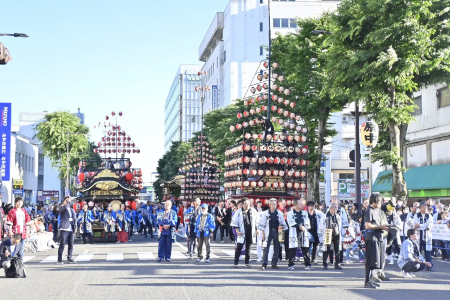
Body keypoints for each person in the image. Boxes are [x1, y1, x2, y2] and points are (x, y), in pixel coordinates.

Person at [364, 194, 390, 289]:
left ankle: (371, 280)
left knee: (376, 260)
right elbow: (368, 226)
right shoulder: (369, 211)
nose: (380, 204)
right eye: (379, 202)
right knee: (370, 260)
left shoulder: (378, 211)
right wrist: (381, 227)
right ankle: (367, 281)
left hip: (379, 237)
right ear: (373, 202)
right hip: (372, 238)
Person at [258, 198, 288, 270]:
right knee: (266, 248)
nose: (274, 205)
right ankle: (264, 264)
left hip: (277, 232)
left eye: (275, 204)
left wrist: (284, 232)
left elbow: (283, 223)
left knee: (277, 248)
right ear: (269, 204)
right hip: (268, 231)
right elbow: (262, 224)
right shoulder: (266, 213)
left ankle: (274, 263)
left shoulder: (279, 213)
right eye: (272, 204)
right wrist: (263, 234)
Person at [231, 199, 259, 268]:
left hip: (250, 231)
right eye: (245, 204)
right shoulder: (239, 211)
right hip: (242, 231)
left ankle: (247, 262)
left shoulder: (253, 210)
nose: (247, 205)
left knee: (248, 247)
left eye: (248, 204)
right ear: (242, 204)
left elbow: (257, 220)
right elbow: (235, 221)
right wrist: (237, 231)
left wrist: (257, 229)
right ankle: (236, 262)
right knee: (239, 247)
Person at [287, 199, 312, 270]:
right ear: (295, 205)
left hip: (303, 232)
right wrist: (299, 226)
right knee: (292, 249)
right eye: (300, 204)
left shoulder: (304, 213)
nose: (301, 205)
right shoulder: (290, 213)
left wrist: (304, 226)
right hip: (294, 232)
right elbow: (290, 222)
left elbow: (307, 221)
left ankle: (308, 264)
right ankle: (291, 264)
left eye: (301, 204)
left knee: (305, 249)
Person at [321, 203, 343, 270]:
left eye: (336, 208)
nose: (336, 209)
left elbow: (340, 225)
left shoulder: (337, 216)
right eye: (334, 208)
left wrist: (338, 230)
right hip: (328, 233)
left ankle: (337, 263)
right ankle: (324, 263)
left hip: (336, 234)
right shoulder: (325, 216)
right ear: (331, 208)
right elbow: (321, 226)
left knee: (337, 249)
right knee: (326, 249)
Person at [412, 201, 434, 271]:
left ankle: (429, 266)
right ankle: (418, 265)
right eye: (423, 206)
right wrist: (423, 226)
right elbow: (415, 225)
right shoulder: (416, 215)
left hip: (427, 235)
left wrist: (420, 225)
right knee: (417, 251)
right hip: (418, 235)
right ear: (420, 207)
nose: (425, 207)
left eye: (426, 206)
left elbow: (429, 225)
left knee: (427, 252)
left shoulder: (429, 215)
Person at [57, 196, 77, 265]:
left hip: (71, 228)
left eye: (69, 200)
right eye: (66, 200)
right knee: (62, 244)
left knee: (71, 244)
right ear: (64, 201)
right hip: (64, 228)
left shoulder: (72, 210)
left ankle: (69, 257)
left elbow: (75, 219)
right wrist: (66, 203)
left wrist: (75, 227)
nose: (68, 202)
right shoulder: (61, 208)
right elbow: (62, 210)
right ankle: (59, 259)